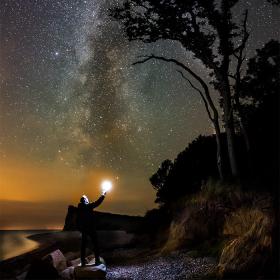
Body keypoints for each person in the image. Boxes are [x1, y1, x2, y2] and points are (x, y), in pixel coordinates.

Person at [77, 192, 106, 266]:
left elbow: (78, 220)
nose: (88, 199)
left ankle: (83, 262)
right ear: (85, 200)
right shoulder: (87, 206)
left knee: (83, 245)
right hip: (90, 228)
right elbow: (97, 203)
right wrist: (103, 195)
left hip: (84, 229)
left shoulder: (79, 208)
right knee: (95, 244)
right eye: (86, 198)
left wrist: (80, 229)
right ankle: (97, 261)